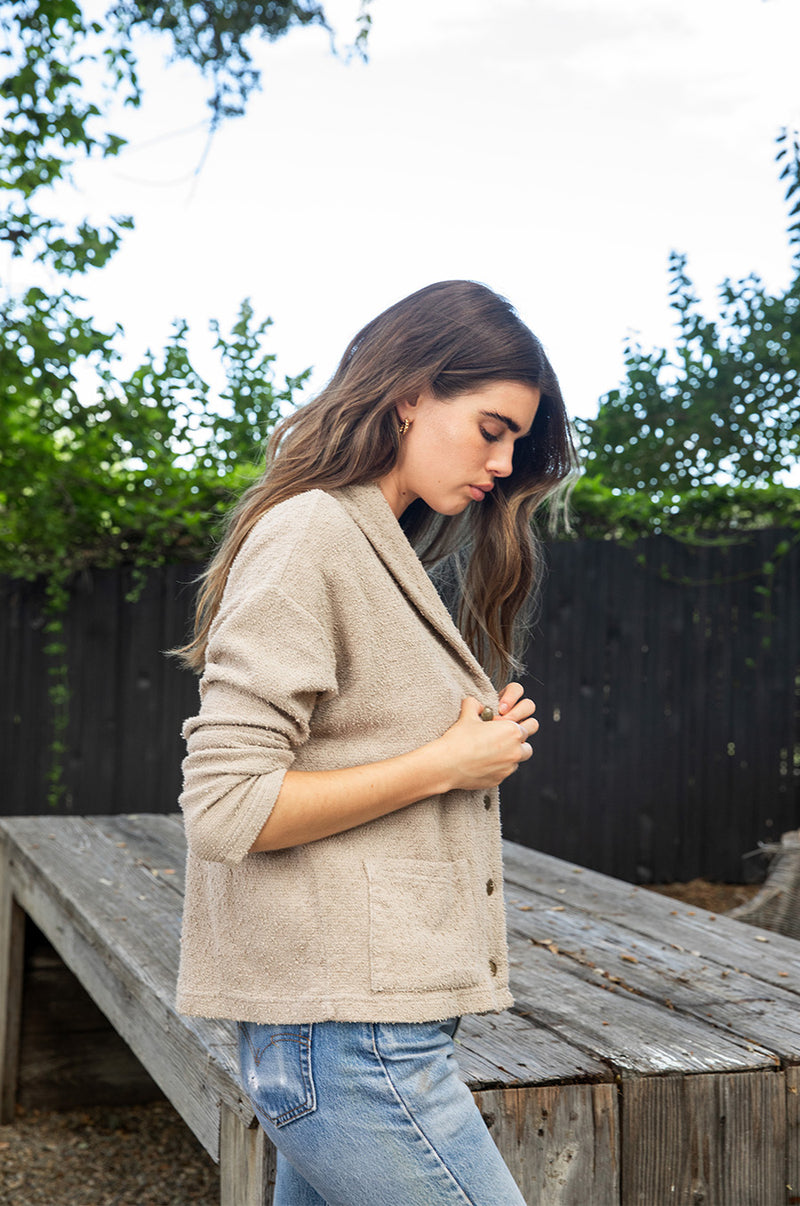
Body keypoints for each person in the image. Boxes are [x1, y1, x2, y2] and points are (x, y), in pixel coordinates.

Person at [174, 280, 578, 1205]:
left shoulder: (375, 545)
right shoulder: (312, 533)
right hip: (349, 1041)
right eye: (491, 428)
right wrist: (447, 763)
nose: (505, 461)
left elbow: (337, 747)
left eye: (518, 440)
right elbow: (227, 806)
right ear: (409, 394)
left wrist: (464, 745)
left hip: (364, 1031)